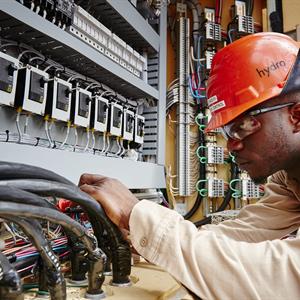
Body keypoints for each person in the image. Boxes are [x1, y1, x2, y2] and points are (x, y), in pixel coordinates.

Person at [80, 32, 300, 300]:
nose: (231, 145)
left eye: (242, 126)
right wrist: (146, 239)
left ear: (296, 115)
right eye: (227, 130)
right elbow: (246, 232)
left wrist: (134, 213)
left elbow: (281, 279)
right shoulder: (289, 176)